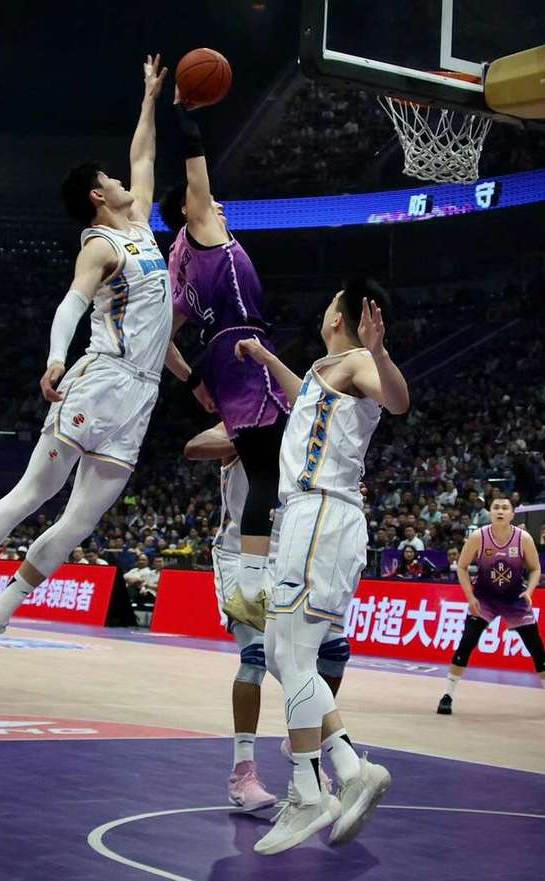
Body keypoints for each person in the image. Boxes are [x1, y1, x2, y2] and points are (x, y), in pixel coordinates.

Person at [0, 55, 171, 676]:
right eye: (109, 178)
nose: (123, 179)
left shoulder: (139, 224)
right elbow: (72, 304)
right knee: (37, 491)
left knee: (81, 521)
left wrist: (149, 98)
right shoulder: (100, 245)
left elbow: (143, 154)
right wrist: (57, 357)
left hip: (142, 395)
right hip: (103, 377)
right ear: (97, 196)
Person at [234, 280, 410, 855]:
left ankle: (310, 791)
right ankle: (351, 768)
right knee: (282, 655)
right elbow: (305, 394)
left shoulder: (359, 361)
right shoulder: (322, 371)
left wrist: (379, 351)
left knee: (294, 656)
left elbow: (398, 401)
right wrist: (267, 360)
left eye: (332, 301)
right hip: (306, 518)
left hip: (323, 516)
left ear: (341, 316)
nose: (325, 306)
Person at [160, 85, 290, 612]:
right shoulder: (203, 231)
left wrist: (195, 384)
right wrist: (185, 117)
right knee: (269, 470)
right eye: (208, 203)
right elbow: (196, 169)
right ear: (190, 210)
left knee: (265, 466)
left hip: (219, 360)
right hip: (243, 348)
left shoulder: (180, 269)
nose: (218, 205)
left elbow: (162, 340)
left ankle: (254, 582)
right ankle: (255, 584)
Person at [185, 422, 353, 812]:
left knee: (335, 652)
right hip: (240, 555)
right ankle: (242, 772)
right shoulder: (248, 421)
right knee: (257, 655)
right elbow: (193, 446)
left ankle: (302, 740)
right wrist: (243, 440)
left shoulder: (309, 430)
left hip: (292, 558)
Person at [436, 497, 544, 715]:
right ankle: (447, 695)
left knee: (537, 648)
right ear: (491, 512)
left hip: (515, 599)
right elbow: (462, 567)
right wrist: (470, 597)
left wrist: (529, 591)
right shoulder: (479, 536)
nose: (500, 511)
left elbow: (535, 569)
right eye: (496, 507)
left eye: (505, 508)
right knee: (466, 643)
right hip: (484, 599)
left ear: (512, 514)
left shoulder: (523, 538)